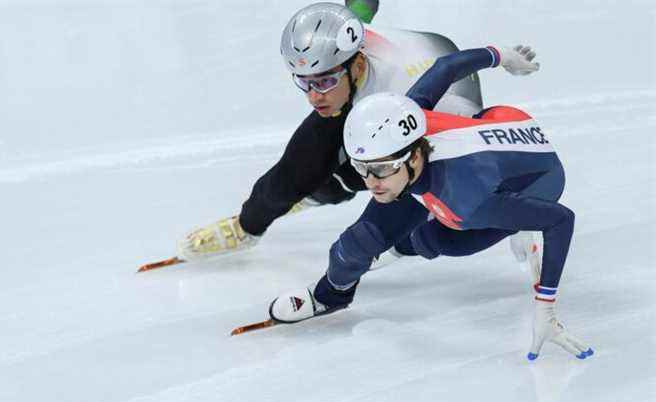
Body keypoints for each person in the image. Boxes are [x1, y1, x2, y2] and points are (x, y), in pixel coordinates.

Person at [268, 45, 594, 361]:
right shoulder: (409, 117)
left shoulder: (467, 201)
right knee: (359, 241)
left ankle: (517, 221)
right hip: (484, 136)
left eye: (379, 169)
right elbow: (445, 67)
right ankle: (331, 296)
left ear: (411, 157)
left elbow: (561, 220)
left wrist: (545, 306)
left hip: (539, 182)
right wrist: (501, 55)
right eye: (360, 168)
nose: (370, 183)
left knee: (441, 240)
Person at [176, 2, 526, 266]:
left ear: (357, 64)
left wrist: (514, 215)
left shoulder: (428, 102)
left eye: (324, 81)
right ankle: (247, 227)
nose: (314, 96)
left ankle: (322, 192)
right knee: (292, 174)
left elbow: (480, 151)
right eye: (305, 83)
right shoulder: (345, 39)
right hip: (361, 95)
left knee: (375, 177)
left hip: (425, 110)